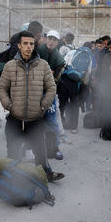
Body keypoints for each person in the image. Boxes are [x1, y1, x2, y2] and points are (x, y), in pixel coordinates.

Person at [0, 31, 65, 182]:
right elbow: (2, 87)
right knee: (13, 153)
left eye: (31, 44)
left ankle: (45, 174)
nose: (29, 47)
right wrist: (8, 104)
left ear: (35, 46)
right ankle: (12, 181)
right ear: (19, 46)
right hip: (15, 118)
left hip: (36, 119)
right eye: (25, 44)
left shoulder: (43, 65)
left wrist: (43, 105)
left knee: (40, 152)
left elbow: (51, 88)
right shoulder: (10, 66)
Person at [37, 29, 66, 160]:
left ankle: (55, 148)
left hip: (50, 92)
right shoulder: (37, 51)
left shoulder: (59, 58)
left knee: (52, 120)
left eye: (54, 40)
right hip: (34, 91)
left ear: (57, 42)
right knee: (34, 121)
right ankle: (35, 149)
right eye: (50, 38)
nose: (51, 41)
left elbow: (57, 78)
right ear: (45, 38)